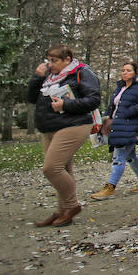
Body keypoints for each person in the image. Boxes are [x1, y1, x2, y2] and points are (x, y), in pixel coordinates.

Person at [26, 45, 101, 227]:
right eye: (49, 60)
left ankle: (72, 205)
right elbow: (30, 98)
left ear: (67, 60)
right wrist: (37, 77)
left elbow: (93, 99)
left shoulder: (81, 72)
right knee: (63, 170)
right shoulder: (48, 77)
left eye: (54, 61)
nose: (50, 65)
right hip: (50, 127)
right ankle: (63, 211)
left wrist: (65, 105)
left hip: (74, 124)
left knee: (51, 168)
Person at [90, 60, 138, 200]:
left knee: (118, 156)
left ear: (135, 72)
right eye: (123, 70)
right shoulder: (120, 88)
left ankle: (110, 187)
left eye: (128, 70)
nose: (125, 73)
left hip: (130, 125)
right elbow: (114, 105)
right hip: (117, 125)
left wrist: (127, 112)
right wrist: (107, 117)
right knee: (130, 156)